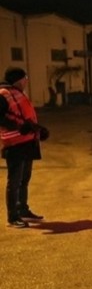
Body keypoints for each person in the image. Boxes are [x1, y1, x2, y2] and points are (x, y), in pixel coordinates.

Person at [0, 67, 48, 228]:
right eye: (25, 77)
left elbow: (24, 117)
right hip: (15, 144)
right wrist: (19, 127)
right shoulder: (3, 94)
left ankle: (23, 209)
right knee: (14, 181)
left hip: (27, 142)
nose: (26, 80)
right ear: (18, 79)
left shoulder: (18, 94)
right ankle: (13, 217)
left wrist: (38, 130)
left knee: (24, 179)